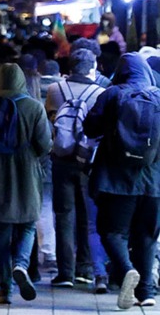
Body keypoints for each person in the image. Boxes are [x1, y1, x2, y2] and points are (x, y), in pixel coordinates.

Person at [0, 63, 52, 304]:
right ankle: (22, 265)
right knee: (27, 224)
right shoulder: (34, 107)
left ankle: (5, 289)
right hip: (26, 171)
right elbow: (45, 145)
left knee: (1, 230)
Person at [84, 53, 160, 309]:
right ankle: (146, 293)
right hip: (153, 182)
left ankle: (127, 269)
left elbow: (90, 128)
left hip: (115, 179)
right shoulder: (159, 95)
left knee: (111, 232)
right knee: (146, 237)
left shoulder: (113, 94)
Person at [44, 48, 107, 292]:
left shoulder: (54, 90)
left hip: (60, 160)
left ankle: (65, 272)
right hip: (88, 162)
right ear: (93, 67)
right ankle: (85, 269)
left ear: (69, 67)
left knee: (63, 215)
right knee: (87, 217)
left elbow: (52, 119)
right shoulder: (101, 93)